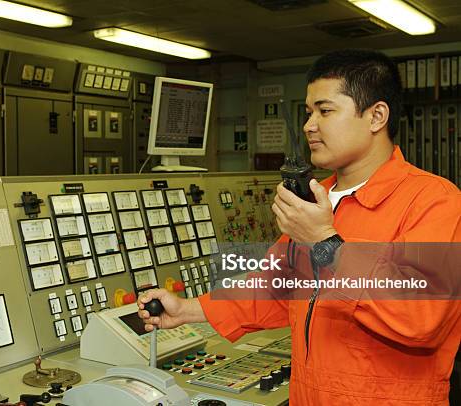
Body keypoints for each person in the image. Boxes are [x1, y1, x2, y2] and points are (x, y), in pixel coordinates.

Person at [138, 49, 460, 405]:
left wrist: (324, 241)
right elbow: (274, 289)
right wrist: (187, 310)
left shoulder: (433, 201)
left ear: (376, 116)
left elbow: (421, 316)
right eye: (309, 113)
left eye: (325, 111)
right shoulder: (316, 199)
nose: (309, 125)